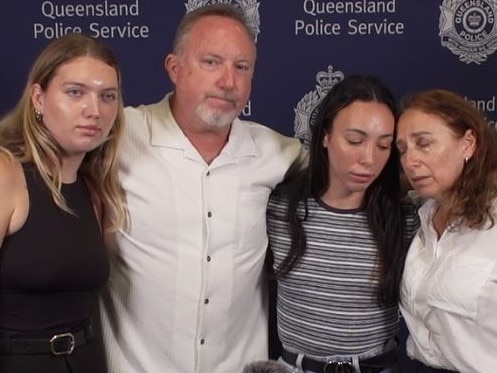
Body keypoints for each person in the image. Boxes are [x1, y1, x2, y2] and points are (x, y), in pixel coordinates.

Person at [99, 4, 307, 373]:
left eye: (241, 67)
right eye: (212, 62)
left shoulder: (277, 152)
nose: (229, 81)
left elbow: (355, 173)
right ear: (174, 68)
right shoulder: (116, 136)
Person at [267, 75, 419, 373]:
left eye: (384, 146)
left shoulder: (405, 219)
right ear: (325, 135)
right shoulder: (280, 208)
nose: (368, 159)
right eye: (355, 140)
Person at [0, 33, 126, 372]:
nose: (93, 110)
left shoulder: (95, 189)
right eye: (75, 92)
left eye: (107, 96)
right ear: (38, 98)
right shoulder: (6, 173)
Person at [396, 89, 497, 373]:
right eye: (403, 149)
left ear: (467, 144)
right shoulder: (423, 216)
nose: (410, 161)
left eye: (424, 143)